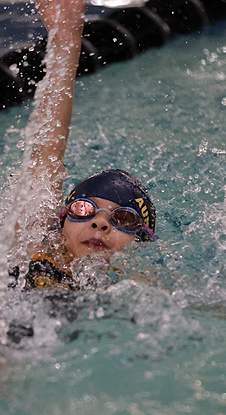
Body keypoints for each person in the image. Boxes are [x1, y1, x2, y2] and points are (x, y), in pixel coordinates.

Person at [13, 0, 157, 291]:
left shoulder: (139, 286)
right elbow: (47, 152)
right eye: (83, 208)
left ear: (140, 243)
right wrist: (66, 40)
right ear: (61, 224)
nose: (100, 223)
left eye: (124, 218)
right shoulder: (36, 251)